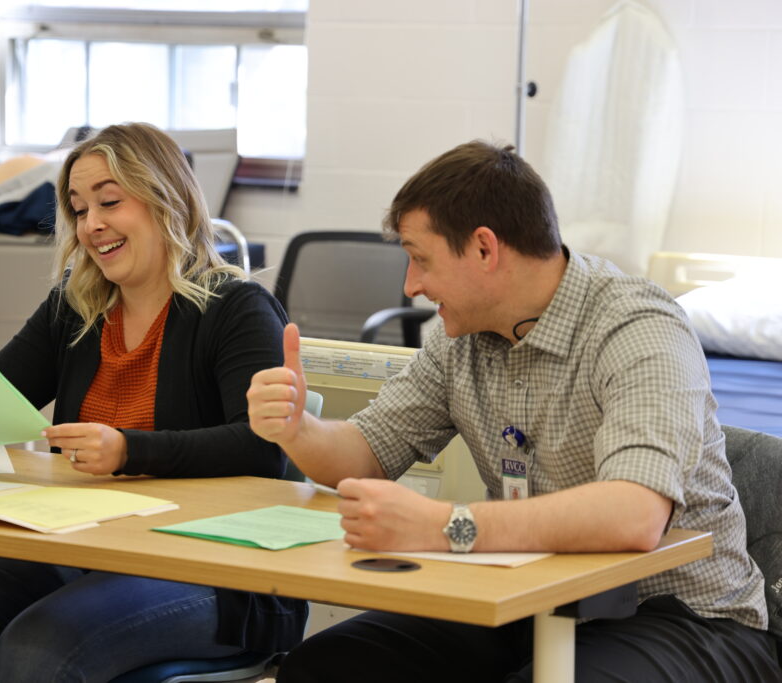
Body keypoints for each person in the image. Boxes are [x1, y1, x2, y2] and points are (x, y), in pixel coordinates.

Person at [247, 141, 782, 682]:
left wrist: (444, 526)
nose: (411, 285)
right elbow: (362, 455)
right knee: (326, 667)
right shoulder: (460, 340)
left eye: (421, 258)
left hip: (685, 619)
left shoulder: (637, 326)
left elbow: (633, 516)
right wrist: (299, 429)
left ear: (484, 249)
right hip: (528, 600)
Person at [0, 122, 306, 682]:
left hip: (219, 570)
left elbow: (260, 449)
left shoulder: (238, 308)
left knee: (38, 653)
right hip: (85, 544)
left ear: (166, 199)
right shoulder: (73, 308)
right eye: (78, 209)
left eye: (109, 201)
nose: (91, 225)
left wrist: (129, 451)